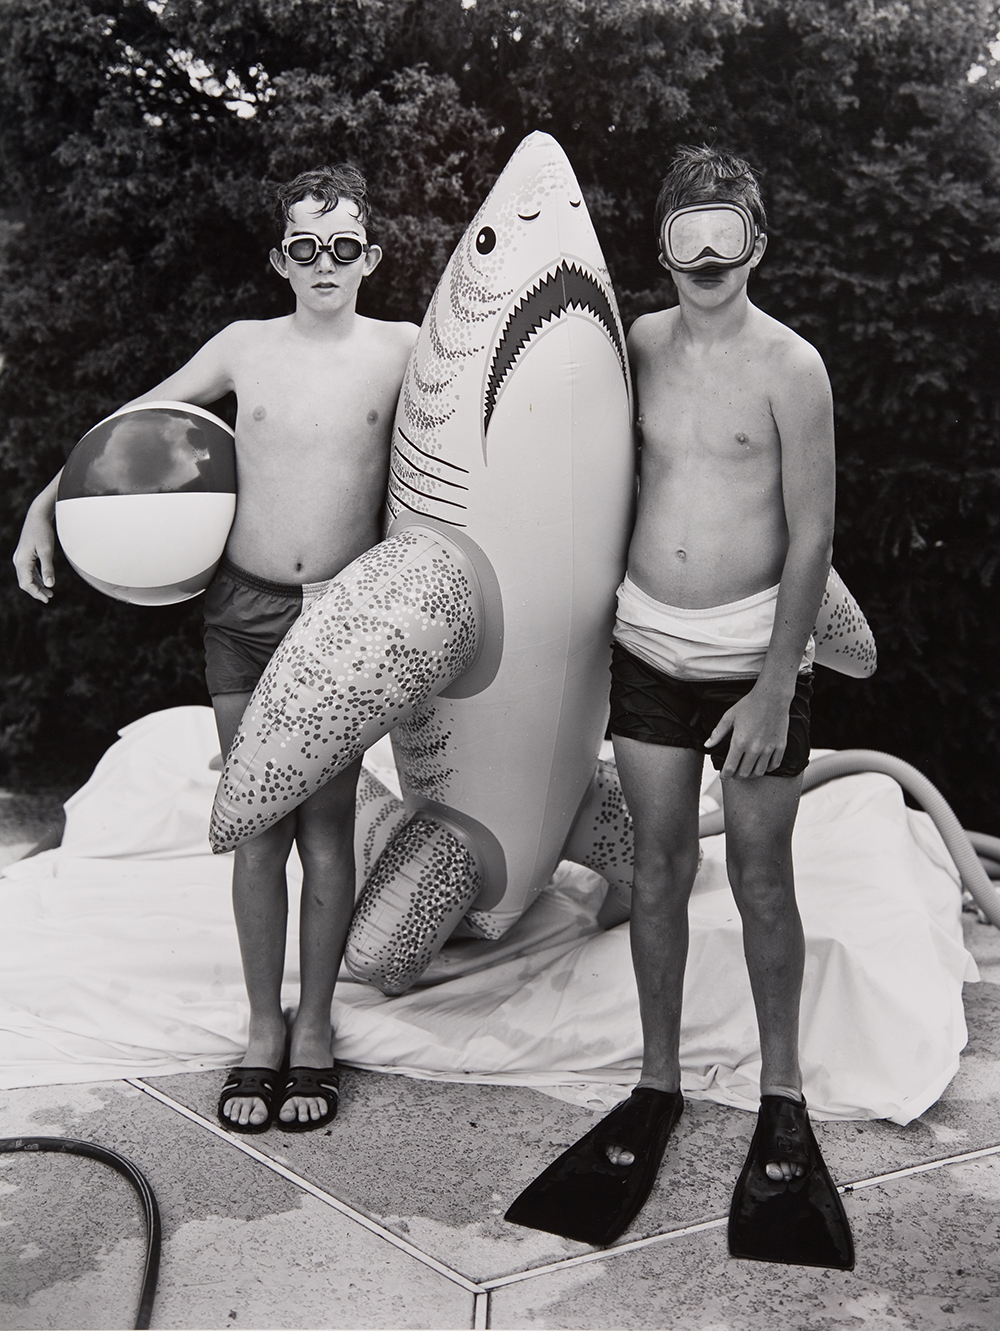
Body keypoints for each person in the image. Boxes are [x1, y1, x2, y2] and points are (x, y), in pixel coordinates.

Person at [13, 165, 418, 1135]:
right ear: (282, 257)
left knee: (325, 830)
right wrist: (41, 503)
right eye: (307, 247)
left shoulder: (402, 347)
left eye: (345, 247)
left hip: (338, 621)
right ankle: (259, 1027)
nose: (326, 263)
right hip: (241, 612)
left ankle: (314, 1025)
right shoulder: (246, 346)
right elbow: (135, 423)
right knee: (254, 827)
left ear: (372, 257)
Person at [506, 147, 853, 1268]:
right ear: (660, 245)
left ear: (758, 242)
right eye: (688, 237)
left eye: (726, 236)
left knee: (759, 876)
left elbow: (813, 535)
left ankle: (783, 1092)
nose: (706, 260)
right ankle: (656, 1079)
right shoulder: (637, 345)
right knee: (655, 865)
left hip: (753, 652)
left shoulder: (791, 368)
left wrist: (772, 682)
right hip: (649, 642)